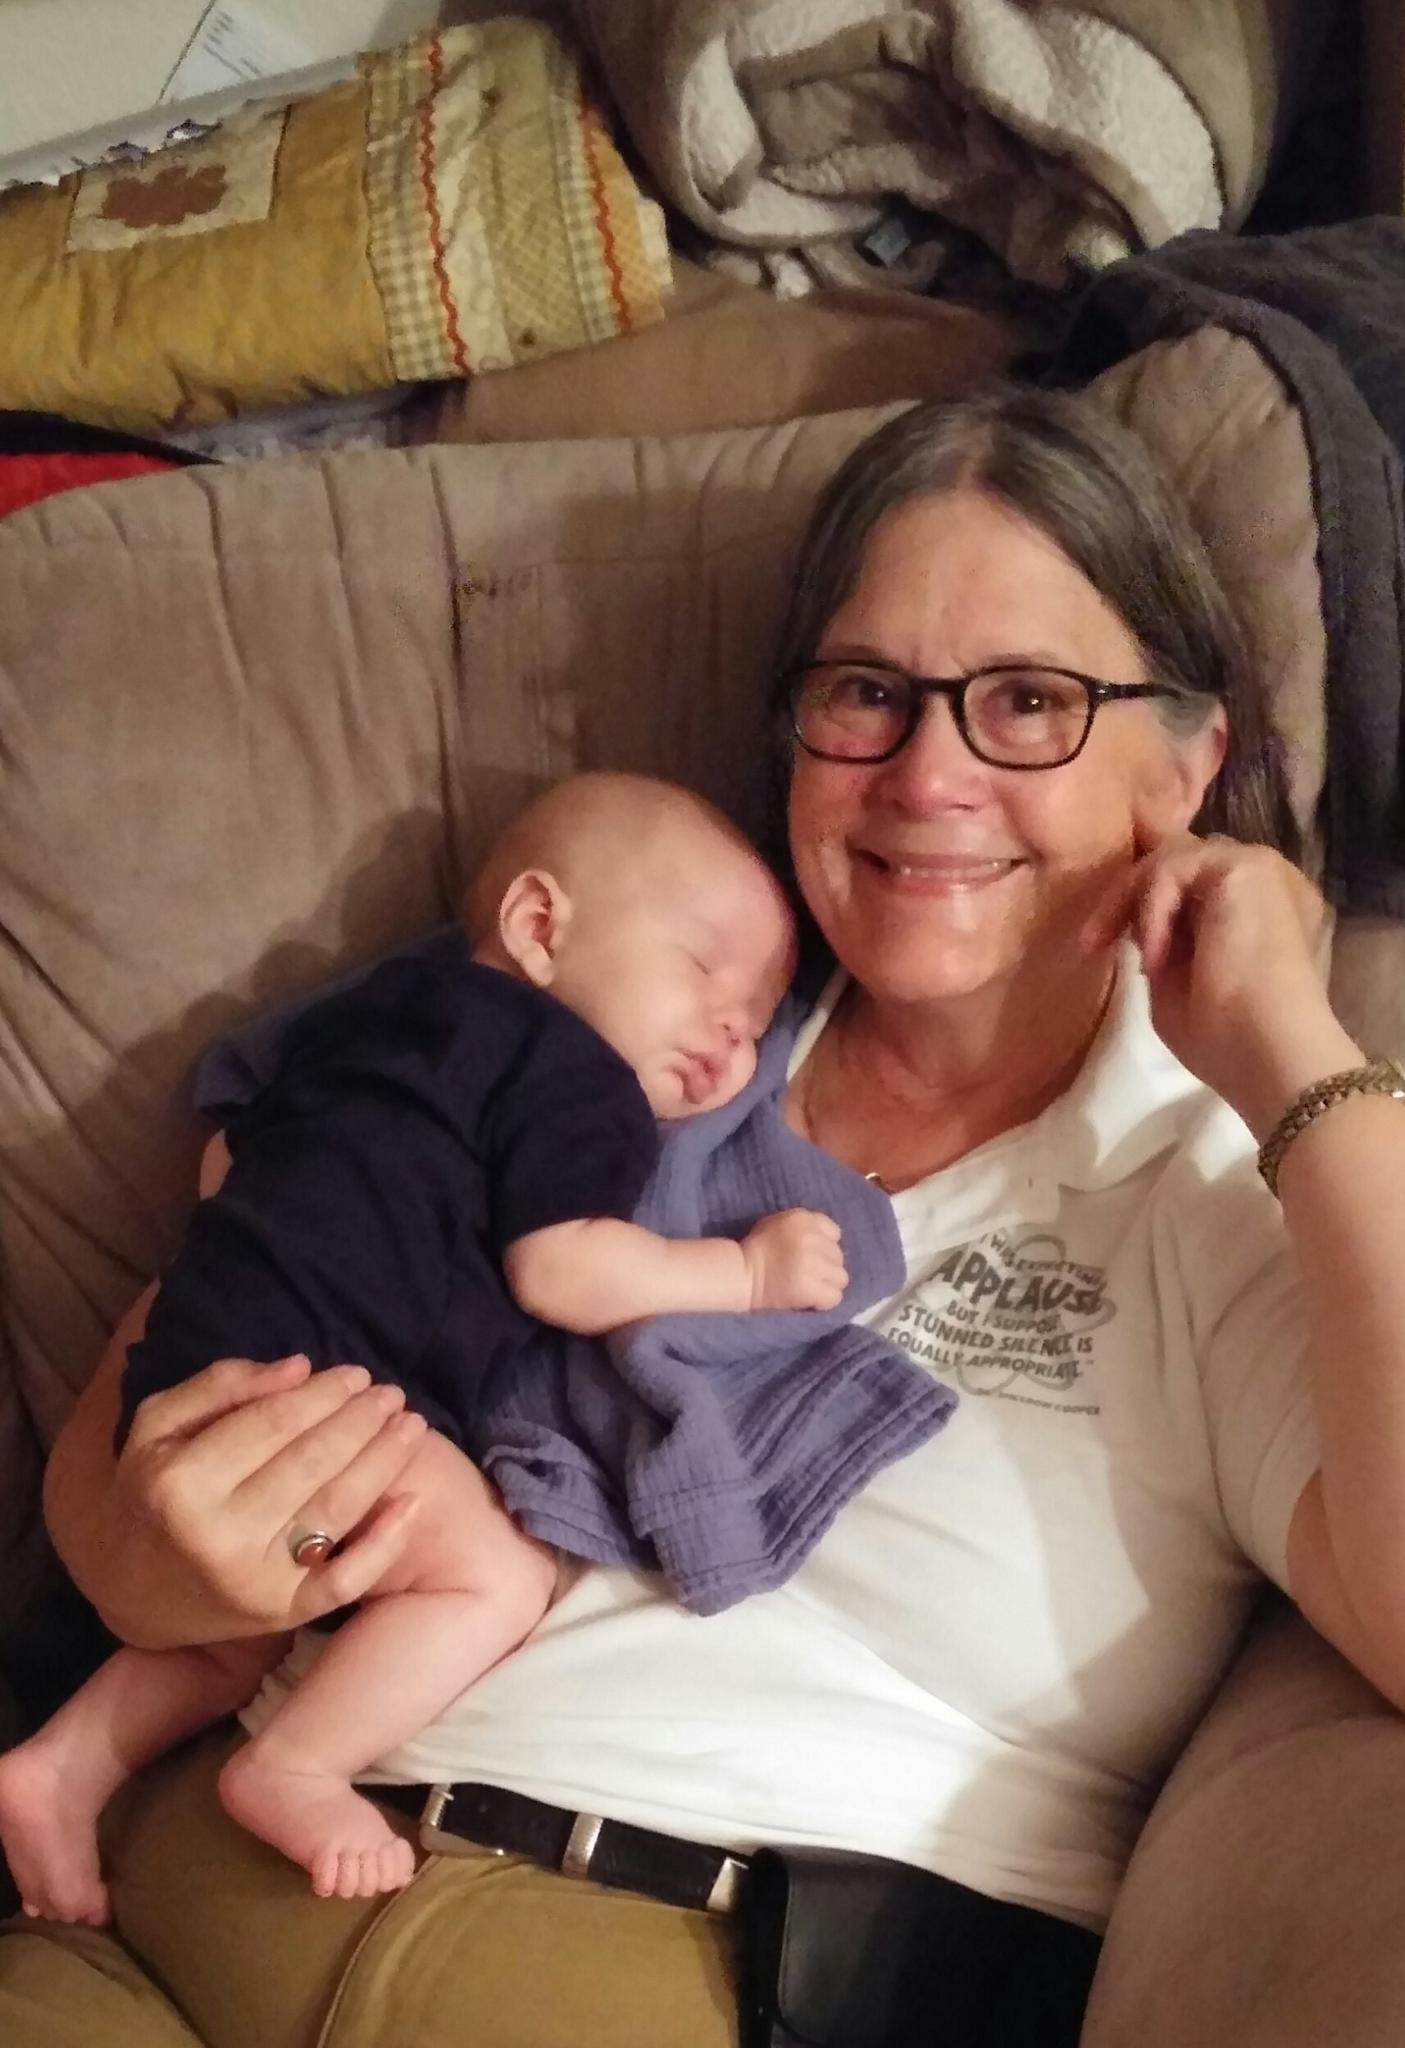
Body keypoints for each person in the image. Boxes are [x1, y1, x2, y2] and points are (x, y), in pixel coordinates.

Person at [6, 385, 1405, 2048]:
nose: (928, 775)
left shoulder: (1223, 1187)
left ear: (1185, 764)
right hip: (161, 1909)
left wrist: (1297, 1047)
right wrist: (155, 1566)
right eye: (866, 693)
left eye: (1030, 701)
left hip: (674, 1964)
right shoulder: (616, 1020)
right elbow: (184, 1351)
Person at [0, 774, 852, 1922]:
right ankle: (297, 1765)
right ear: (538, 925)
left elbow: (221, 1166)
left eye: (753, 1021)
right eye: (704, 972)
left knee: (239, 1618)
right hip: (329, 1386)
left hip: (197, 1351)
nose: (729, 1035)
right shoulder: (577, 1074)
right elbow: (560, 1268)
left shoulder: (373, 1007)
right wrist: (743, 1271)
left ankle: (58, 1764)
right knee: (491, 1574)